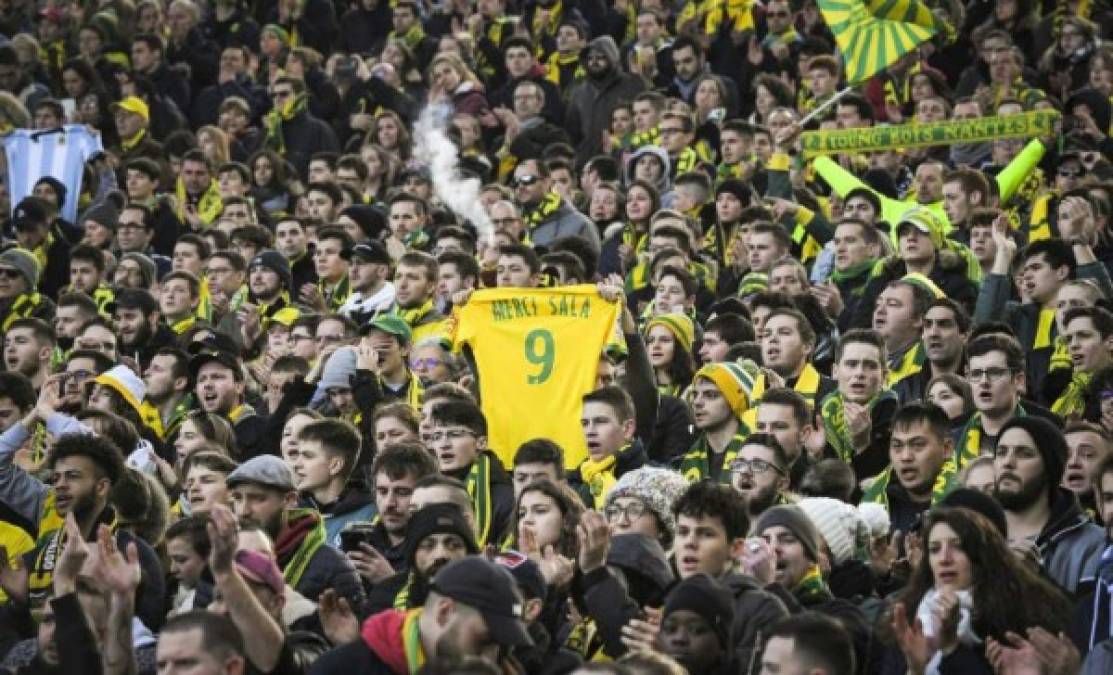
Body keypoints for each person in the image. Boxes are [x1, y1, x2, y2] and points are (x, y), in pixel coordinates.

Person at [309, 556, 532, 673]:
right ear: (444, 612)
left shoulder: (508, 669)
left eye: (501, 647)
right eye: (483, 641)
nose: (490, 660)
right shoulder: (343, 669)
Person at [225, 454, 365, 606]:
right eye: (237, 498)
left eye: (258, 498)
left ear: (290, 500)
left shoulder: (332, 566)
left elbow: (350, 626)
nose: (243, 511)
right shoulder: (221, 558)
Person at [993, 415, 1106, 594]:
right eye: (1001, 452)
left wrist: (1039, 582)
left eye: (1024, 454)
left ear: (1050, 468)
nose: (1008, 463)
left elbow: (1093, 618)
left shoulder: (1093, 544)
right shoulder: (971, 534)